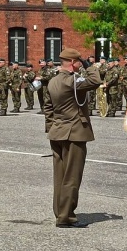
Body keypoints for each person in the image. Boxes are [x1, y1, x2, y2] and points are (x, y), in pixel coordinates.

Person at [44, 48, 102, 228]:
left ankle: (60, 211)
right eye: (78, 61)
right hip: (74, 133)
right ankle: (66, 216)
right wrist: (89, 65)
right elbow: (96, 80)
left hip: (57, 132)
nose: (80, 64)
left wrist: (52, 128)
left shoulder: (52, 81)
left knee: (60, 176)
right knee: (72, 176)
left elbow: (48, 108)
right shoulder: (73, 81)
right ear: (72, 62)